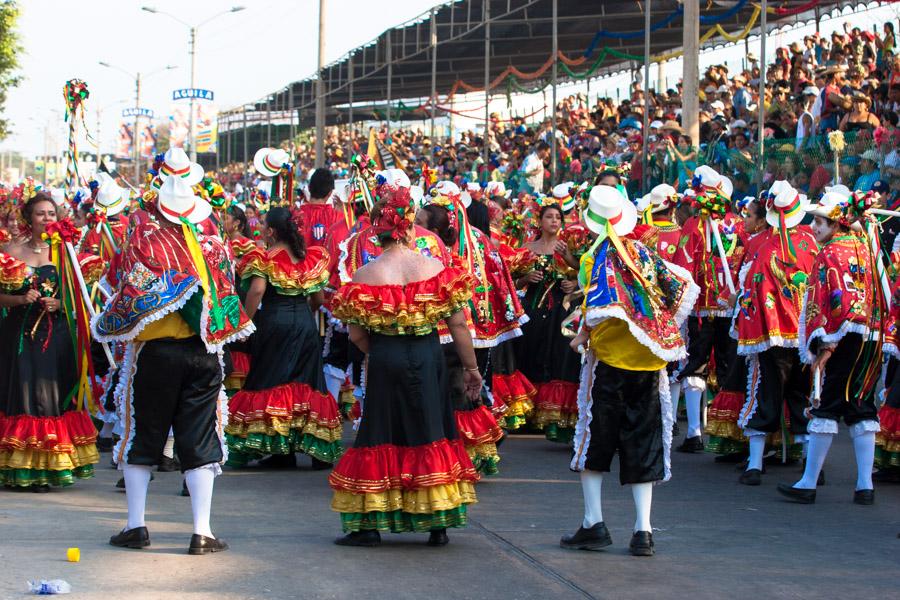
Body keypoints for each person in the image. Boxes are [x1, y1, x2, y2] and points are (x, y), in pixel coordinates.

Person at [93, 175, 254, 553]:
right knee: (200, 436)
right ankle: (202, 531)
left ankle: (137, 526)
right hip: (204, 352)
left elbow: (127, 290)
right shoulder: (211, 244)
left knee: (143, 435)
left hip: (157, 353)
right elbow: (226, 293)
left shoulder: (144, 242)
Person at [328, 184, 481, 547]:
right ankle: (437, 522)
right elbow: (458, 324)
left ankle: (369, 525)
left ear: (377, 232)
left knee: (380, 431)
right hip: (428, 358)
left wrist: (379, 351)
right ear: (410, 227)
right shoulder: (434, 268)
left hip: (385, 358)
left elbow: (355, 335)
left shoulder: (365, 275)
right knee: (431, 429)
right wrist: (471, 368)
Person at [563, 185, 698, 557]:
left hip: (610, 363)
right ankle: (643, 530)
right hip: (649, 362)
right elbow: (676, 289)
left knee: (594, 441)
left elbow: (596, 305)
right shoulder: (643, 252)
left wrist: (582, 335)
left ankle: (594, 522)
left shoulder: (598, 256)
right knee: (644, 441)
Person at [777, 191, 880, 505]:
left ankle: (808, 482)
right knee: (861, 405)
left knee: (827, 404)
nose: (813, 226)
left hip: (841, 336)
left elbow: (829, 302)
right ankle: (864, 486)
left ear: (837, 223)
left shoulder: (830, 253)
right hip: (870, 335)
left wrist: (825, 344)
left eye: (820, 221)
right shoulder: (864, 247)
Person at [224, 206, 342, 468]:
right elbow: (318, 299)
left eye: (265, 224)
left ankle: (280, 451)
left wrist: (245, 322)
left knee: (269, 381)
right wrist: (302, 315)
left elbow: (256, 291)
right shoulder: (307, 258)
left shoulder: (264, 258)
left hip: (275, 324)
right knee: (309, 383)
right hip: (304, 324)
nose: (262, 228)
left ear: (272, 231)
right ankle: (316, 452)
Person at [0, 192, 100, 490]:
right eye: (41, 213)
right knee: (22, 394)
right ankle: (21, 468)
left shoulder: (66, 252)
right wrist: (19, 298)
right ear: (28, 218)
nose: (47, 218)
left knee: (49, 396)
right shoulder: (10, 251)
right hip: (18, 335)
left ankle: (48, 466)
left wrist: (61, 303)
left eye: (51, 213)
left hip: (56, 336)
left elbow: (81, 297)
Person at [732, 181, 818, 486]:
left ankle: (755, 465)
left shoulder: (760, 245)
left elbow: (748, 290)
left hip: (771, 334)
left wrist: (744, 327)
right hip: (808, 335)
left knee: (765, 392)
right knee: (802, 393)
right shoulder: (812, 241)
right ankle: (810, 465)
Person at [514, 202, 584, 443]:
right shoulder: (527, 248)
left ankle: (554, 418)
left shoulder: (569, 246)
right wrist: (526, 278)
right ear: (540, 221)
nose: (554, 221)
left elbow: (585, 273)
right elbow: (511, 282)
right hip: (534, 308)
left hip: (561, 309)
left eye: (558, 217)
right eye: (550, 217)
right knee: (532, 353)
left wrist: (573, 282)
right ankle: (528, 414)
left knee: (558, 356)